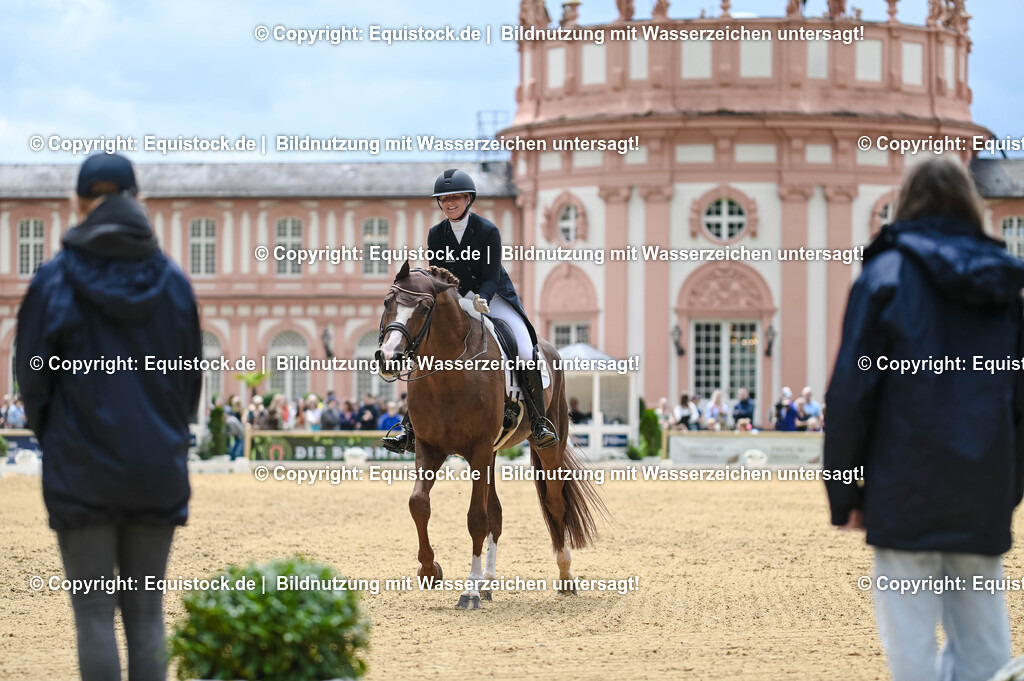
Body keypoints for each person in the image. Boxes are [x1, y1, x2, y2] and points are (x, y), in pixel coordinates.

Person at [824, 157, 1024, 681]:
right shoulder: (1008, 286)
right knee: (985, 656)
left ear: (906, 202)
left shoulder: (882, 277)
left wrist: (845, 495)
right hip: (981, 493)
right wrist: (1008, 490)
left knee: (910, 656)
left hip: (902, 492)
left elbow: (850, 396)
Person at [16, 153, 202, 681]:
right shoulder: (174, 282)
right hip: (155, 468)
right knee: (146, 614)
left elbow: (32, 379)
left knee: (93, 613)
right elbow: (189, 380)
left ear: (78, 202)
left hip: (80, 466)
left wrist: (57, 434)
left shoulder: (52, 279)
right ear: (136, 199)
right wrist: (166, 437)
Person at [382, 169, 557, 452]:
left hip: (495, 296)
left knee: (525, 348)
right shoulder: (436, 234)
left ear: (468, 199)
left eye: (456, 198)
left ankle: (539, 422)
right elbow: (440, 274)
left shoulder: (488, 231)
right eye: (445, 199)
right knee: (426, 344)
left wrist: (483, 298)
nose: (450, 203)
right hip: (456, 300)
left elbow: (491, 275)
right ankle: (408, 427)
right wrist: (454, 299)